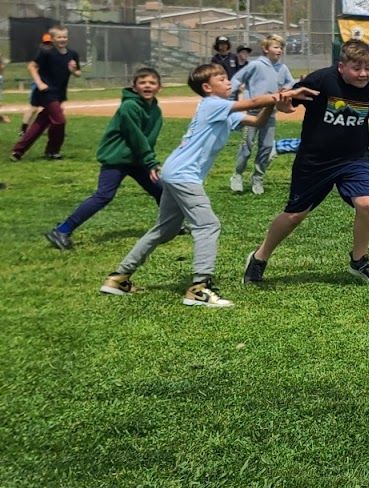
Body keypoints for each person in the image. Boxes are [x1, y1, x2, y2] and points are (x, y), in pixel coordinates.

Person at [100, 64, 299, 307]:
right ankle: (199, 287)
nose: (229, 82)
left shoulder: (225, 110)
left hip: (175, 172)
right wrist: (282, 94)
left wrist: (271, 104)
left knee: (164, 230)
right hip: (184, 175)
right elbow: (253, 101)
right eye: (222, 79)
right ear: (207, 88)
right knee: (208, 225)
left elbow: (256, 121)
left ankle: (118, 278)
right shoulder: (211, 104)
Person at [242, 39, 369, 287]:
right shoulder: (321, 81)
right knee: (294, 216)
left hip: (354, 158)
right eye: (357, 69)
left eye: (368, 68)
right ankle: (259, 257)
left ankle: (360, 261)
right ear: (341, 66)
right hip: (315, 161)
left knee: (368, 204)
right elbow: (290, 105)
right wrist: (285, 104)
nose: (364, 74)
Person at [46, 68, 166, 251]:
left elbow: (146, 140)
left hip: (136, 160)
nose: (147, 85)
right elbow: (136, 137)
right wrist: (151, 162)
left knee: (161, 191)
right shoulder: (130, 106)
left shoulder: (155, 110)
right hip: (117, 158)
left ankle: (168, 226)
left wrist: (147, 161)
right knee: (103, 195)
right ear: (134, 87)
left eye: (151, 82)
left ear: (159, 87)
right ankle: (62, 230)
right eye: (142, 82)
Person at [229, 34, 297, 195]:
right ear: (266, 49)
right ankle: (237, 175)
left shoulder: (283, 68)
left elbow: (290, 82)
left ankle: (257, 177)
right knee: (247, 146)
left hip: (270, 113)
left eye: (281, 47)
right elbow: (237, 79)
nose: (279, 50)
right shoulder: (256, 65)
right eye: (275, 47)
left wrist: (288, 87)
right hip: (252, 113)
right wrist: (231, 100)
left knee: (266, 146)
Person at [12, 25, 82, 162]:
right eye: (59, 37)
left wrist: (73, 70)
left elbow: (78, 73)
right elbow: (32, 66)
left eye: (65, 37)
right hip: (47, 92)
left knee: (41, 122)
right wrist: (39, 83)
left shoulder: (72, 54)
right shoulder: (47, 52)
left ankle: (18, 151)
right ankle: (53, 150)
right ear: (53, 38)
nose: (62, 39)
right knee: (60, 121)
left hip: (60, 93)